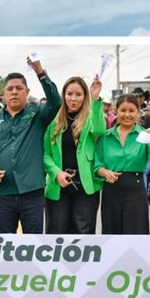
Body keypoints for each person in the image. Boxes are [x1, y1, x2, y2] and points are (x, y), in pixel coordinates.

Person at [0, 58, 61, 233]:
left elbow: (56, 103)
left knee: (33, 241)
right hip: (4, 191)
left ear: (27, 92)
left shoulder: (37, 113)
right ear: (4, 94)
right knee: (4, 242)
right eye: (10, 89)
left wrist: (41, 73)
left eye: (19, 88)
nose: (14, 92)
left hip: (32, 191)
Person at [94, 94, 150, 234]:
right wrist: (105, 172)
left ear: (138, 111)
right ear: (116, 110)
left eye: (131, 110)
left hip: (136, 190)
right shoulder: (105, 137)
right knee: (111, 234)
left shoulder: (145, 135)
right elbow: (97, 165)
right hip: (111, 191)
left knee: (136, 234)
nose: (127, 115)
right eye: (123, 110)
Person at [43, 76, 104, 234]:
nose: (74, 99)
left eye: (79, 94)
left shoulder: (91, 118)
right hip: (59, 184)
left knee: (83, 232)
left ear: (85, 97)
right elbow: (45, 154)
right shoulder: (53, 121)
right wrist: (56, 173)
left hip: (84, 185)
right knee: (56, 231)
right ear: (64, 95)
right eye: (69, 94)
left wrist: (95, 98)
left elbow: (99, 131)